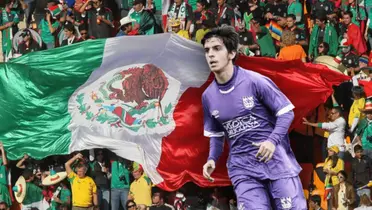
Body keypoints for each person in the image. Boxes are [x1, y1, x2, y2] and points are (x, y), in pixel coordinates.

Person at [201, 26, 306, 209]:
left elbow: (286, 113)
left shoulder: (255, 81)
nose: (210, 55)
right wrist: (212, 158)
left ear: (232, 53)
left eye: (217, 49)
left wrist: (272, 141)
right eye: (207, 50)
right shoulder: (208, 96)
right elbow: (217, 135)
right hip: (243, 168)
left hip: (277, 163)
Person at [0, 142, 11, 208]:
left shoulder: (4, 163)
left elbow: (5, 163)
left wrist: (2, 150)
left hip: (3, 187)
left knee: (5, 207)